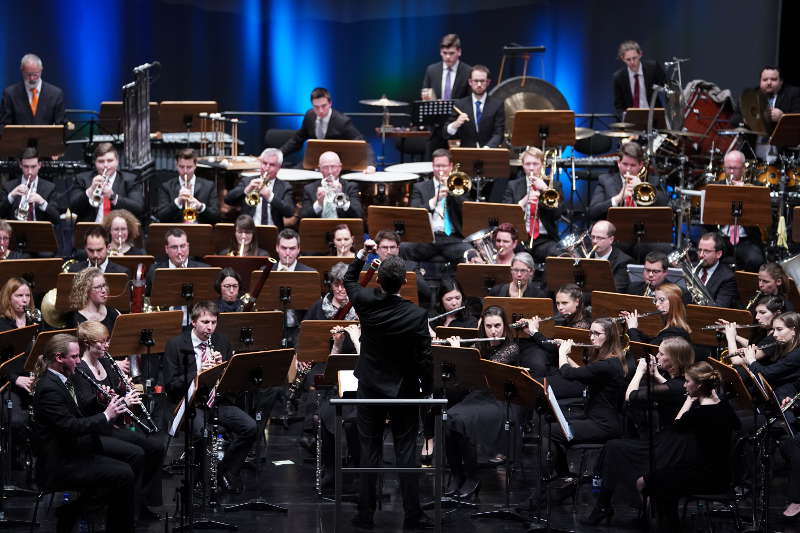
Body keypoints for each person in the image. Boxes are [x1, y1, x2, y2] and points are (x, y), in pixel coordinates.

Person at [345, 243, 433, 529]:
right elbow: (423, 358)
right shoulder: (416, 316)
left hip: (370, 386)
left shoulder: (366, 300)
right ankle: (413, 515)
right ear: (405, 281)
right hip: (404, 389)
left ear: (379, 280)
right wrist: (428, 388)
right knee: (406, 452)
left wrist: (362, 255)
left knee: (369, 450)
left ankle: (364, 514)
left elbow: (348, 279)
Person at [30, 333, 135, 533]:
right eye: (75, 357)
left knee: (130, 461)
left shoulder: (64, 379)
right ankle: (90, 516)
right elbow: (71, 426)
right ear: (60, 358)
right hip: (60, 463)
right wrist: (106, 416)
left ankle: (77, 510)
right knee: (124, 474)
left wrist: (100, 400)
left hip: (74, 451)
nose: (79, 361)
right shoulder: (49, 389)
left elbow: (77, 412)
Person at [72, 321, 165, 522]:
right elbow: (86, 405)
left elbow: (117, 390)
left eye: (108, 341)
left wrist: (128, 391)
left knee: (156, 448)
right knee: (137, 454)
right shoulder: (80, 369)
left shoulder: (106, 361)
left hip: (111, 426)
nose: (107, 346)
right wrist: (122, 400)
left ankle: (140, 501)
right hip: (94, 429)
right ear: (88, 343)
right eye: (102, 342)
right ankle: (124, 508)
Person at [163, 301, 256, 494]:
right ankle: (199, 480)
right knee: (200, 433)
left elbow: (232, 385)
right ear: (193, 322)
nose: (210, 327)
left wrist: (222, 372)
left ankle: (225, 471)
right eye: (205, 322)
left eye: (214, 322)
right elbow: (171, 386)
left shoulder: (222, 342)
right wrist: (199, 373)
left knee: (250, 427)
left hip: (217, 402)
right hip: (191, 403)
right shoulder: (176, 345)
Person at [635, 362, 739, 530]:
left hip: (705, 477)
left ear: (698, 386)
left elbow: (677, 425)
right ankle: (669, 522)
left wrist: (689, 401)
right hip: (724, 475)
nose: (684, 385)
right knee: (667, 478)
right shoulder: (725, 406)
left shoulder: (699, 413)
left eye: (687, 381)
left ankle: (661, 526)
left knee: (643, 482)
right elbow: (737, 426)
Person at [443, 306, 520, 499]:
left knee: (460, 421)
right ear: (482, 327)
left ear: (505, 326)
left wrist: (459, 353)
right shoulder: (479, 345)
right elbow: (461, 378)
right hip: (477, 398)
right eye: (489, 326)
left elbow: (484, 373)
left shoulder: (511, 348)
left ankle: (472, 476)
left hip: (500, 401)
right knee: (448, 419)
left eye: (497, 326)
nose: (494, 331)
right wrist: (455, 352)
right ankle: (457, 474)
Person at [541, 318, 628, 479]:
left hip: (603, 425)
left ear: (608, 336)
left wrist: (562, 353)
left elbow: (567, 373)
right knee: (550, 423)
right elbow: (584, 372)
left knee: (548, 431)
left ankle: (553, 478)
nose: (592, 337)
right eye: (591, 332)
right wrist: (564, 352)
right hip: (595, 418)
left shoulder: (608, 365)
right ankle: (564, 476)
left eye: (597, 333)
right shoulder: (608, 362)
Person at [279, 87, 375, 170]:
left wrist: (371, 165)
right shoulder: (310, 115)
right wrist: (278, 155)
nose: (320, 110)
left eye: (323, 106)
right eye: (316, 107)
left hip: (335, 166)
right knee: (293, 175)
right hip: (314, 162)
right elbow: (296, 140)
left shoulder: (342, 121)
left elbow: (362, 144)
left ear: (330, 103)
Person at [405, 148, 471, 263]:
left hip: (453, 239)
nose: (440, 170)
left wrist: (453, 192)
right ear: (432, 166)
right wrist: (434, 201)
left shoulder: (460, 186)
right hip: (428, 238)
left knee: (470, 254)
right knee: (403, 249)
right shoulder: (420, 187)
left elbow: (467, 211)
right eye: (437, 166)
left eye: (444, 166)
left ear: (451, 166)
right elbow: (414, 213)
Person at [502, 147, 563, 261]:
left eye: (535, 164)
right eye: (527, 164)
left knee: (559, 254)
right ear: (522, 165)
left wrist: (545, 190)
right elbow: (506, 216)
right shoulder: (513, 185)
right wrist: (524, 201)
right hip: (518, 238)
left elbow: (557, 214)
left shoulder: (554, 186)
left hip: (544, 239)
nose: (531, 168)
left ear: (542, 165)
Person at [711, 150, 765, 272]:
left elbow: (761, 217)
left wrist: (743, 193)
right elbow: (708, 217)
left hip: (746, 239)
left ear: (743, 168)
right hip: (721, 237)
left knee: (755, 260)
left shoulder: (756, 187)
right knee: (707, 256)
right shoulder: (715, 187)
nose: (731, 172)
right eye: (728, 168)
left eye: (735, 168)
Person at [588, 142, 668, 224]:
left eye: (633, 165)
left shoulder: (652, 181)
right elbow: (592, 212)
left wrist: (642, 188)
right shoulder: (605, 180)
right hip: (614, 231)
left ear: (640, 165)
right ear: (618, 163)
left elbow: (665, 205)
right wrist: (618, 198)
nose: (628, 169)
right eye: (625, 164)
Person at [70, 143, 144, 222]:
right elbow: (73, 209)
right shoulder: (82, 179)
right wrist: (91, 190)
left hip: (119, 230)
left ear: (117, 161)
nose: (106, 165)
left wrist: (113, 197)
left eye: (110, 161)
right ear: (95, 163)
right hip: (91, 231)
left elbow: (138, 208)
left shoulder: (130, 179)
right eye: (101, 161)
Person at [224, 147, 294, 228]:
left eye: (272, 165)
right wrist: (246, 190)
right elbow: (228, 200)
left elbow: (289, 213)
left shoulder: (285, 187)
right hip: (248, 230)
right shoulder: (247, 181)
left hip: (273, 231)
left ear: (279, 167)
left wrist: (270, 197)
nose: (266, 168)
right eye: (264, 163)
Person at [739, 311, 800, 398]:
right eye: (774, 330)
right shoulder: (784, 345)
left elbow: (766, 374)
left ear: (794, 330)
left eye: (779, 329)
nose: (774, 335)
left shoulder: (796, 354)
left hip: (785, 399)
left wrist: (751, 360)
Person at [445, 65, 504, 148]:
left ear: (488, 82)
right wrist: (456, 123)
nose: (479, 84)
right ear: (470, 82)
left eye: (482, 81)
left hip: (489, 152)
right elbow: (446, 132)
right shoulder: (460, 104)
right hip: (466, 153)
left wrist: (487, 148)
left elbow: (499, 133)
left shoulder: (497, 104)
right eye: (476, 81)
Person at [155, 148, 219, 224]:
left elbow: (216, 217)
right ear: (176, 165)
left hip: (200, 231)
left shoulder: (209, 186)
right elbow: (161, 216)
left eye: (189, 167)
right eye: (181, 167)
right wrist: (178, 202)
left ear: (195, 166)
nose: (185, 171)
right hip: (176, 231)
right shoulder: (166, 187)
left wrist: (200, 207)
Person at [0, 53, 64, 126]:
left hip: (46, 137)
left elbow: (61, 124)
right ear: (22, 70)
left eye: (35, 74)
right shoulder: (10, 94)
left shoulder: (55, 94)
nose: (31, 78)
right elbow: (4, 125)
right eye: (28, 74)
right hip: (19, 137)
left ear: (41, 70)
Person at [0, 147, 61, 223]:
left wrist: (42, 202)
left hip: (40, 232)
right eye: (26, 167)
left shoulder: (50, 188)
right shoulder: (9, 186)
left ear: (39, 165)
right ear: (20, 165)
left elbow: (56, 219)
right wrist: (11, 196)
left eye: (33, 166)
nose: (30, 172)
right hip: (15, 232)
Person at [722, 294, 786, 364]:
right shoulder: (765, 330)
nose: (757, 317)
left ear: (777, 314)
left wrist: (730, 337)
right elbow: (755, 347)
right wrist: (733, 334)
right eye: (757, 312)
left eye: (762, 312)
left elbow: (736, 360)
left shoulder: (775, 337)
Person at [622, 282, 691, 345]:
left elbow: (642, 353)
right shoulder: (671, 329)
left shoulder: (674, 333)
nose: (657, 304)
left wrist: (632, 329)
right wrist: (631, 326)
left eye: (661, 300)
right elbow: (652, 341)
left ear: (674, 302)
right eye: (655, 300)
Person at [612, 40, 666, 119]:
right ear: (623, 59)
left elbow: (666, 87)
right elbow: (618, 105)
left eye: (634, 58)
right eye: (628, 59)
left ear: (640, 54)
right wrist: (624, 117)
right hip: (631, 120)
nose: (632, 62)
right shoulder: (618, 77)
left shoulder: (653, 68)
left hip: (653, 117)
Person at [300, 151, 363, 219]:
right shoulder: (309, 188)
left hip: (344, 227)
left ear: (340, 167)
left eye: (333, 167)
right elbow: (303, 217)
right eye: (325, 167)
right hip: (318, 227)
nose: (330, 171)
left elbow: (358, 214)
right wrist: (319, 204)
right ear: (320, 168)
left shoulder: (350, 187)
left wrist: (341, 198)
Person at [66, 267, 121, 331]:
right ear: (86, 290)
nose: (103, 290)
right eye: (98, 287)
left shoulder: (114, 313)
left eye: (104, 285)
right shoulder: (75, 319)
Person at [421, 33, 472, 101]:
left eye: (451, 53)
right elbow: (425, 95)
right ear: (440, 52)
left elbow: (470, 99)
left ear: (459, 52)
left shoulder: (468, 71)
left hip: (459, 111)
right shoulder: (431, 70)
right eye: (445, 53)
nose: (448, 57)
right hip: (437, 111)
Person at [696, 231, 739, 308]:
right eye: (699, 250)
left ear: (718, 254)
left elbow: (719, 309)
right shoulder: (692, 269)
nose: (701, 255)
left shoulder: (728, 278)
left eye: (706, 251)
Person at [590, 220, 633, 293]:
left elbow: (615, 291)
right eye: (592, 237)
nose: (594, 241)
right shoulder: (585, 255)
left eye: (599, 238)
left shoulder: (623, 261)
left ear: (611, 239)